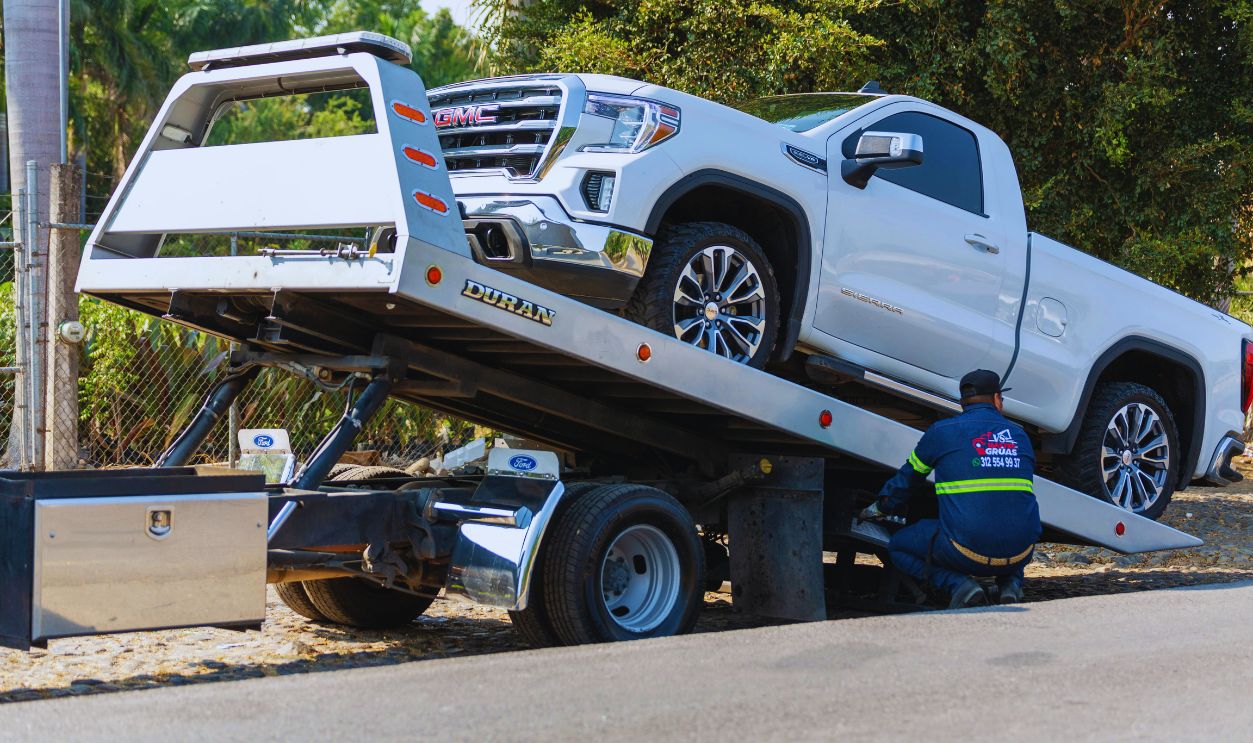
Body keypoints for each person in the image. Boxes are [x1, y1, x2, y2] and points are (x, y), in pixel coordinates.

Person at [860, 369, 1042, 608]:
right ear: (998, 399)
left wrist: (879, 507)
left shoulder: (942, 432)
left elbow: (906, 481)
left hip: (965, 552)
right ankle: (1011, 585)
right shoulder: (1020, 436)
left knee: (899, 547)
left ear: (962, 402)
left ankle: (959, 585)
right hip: (1023, 551)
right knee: (1009, 525)